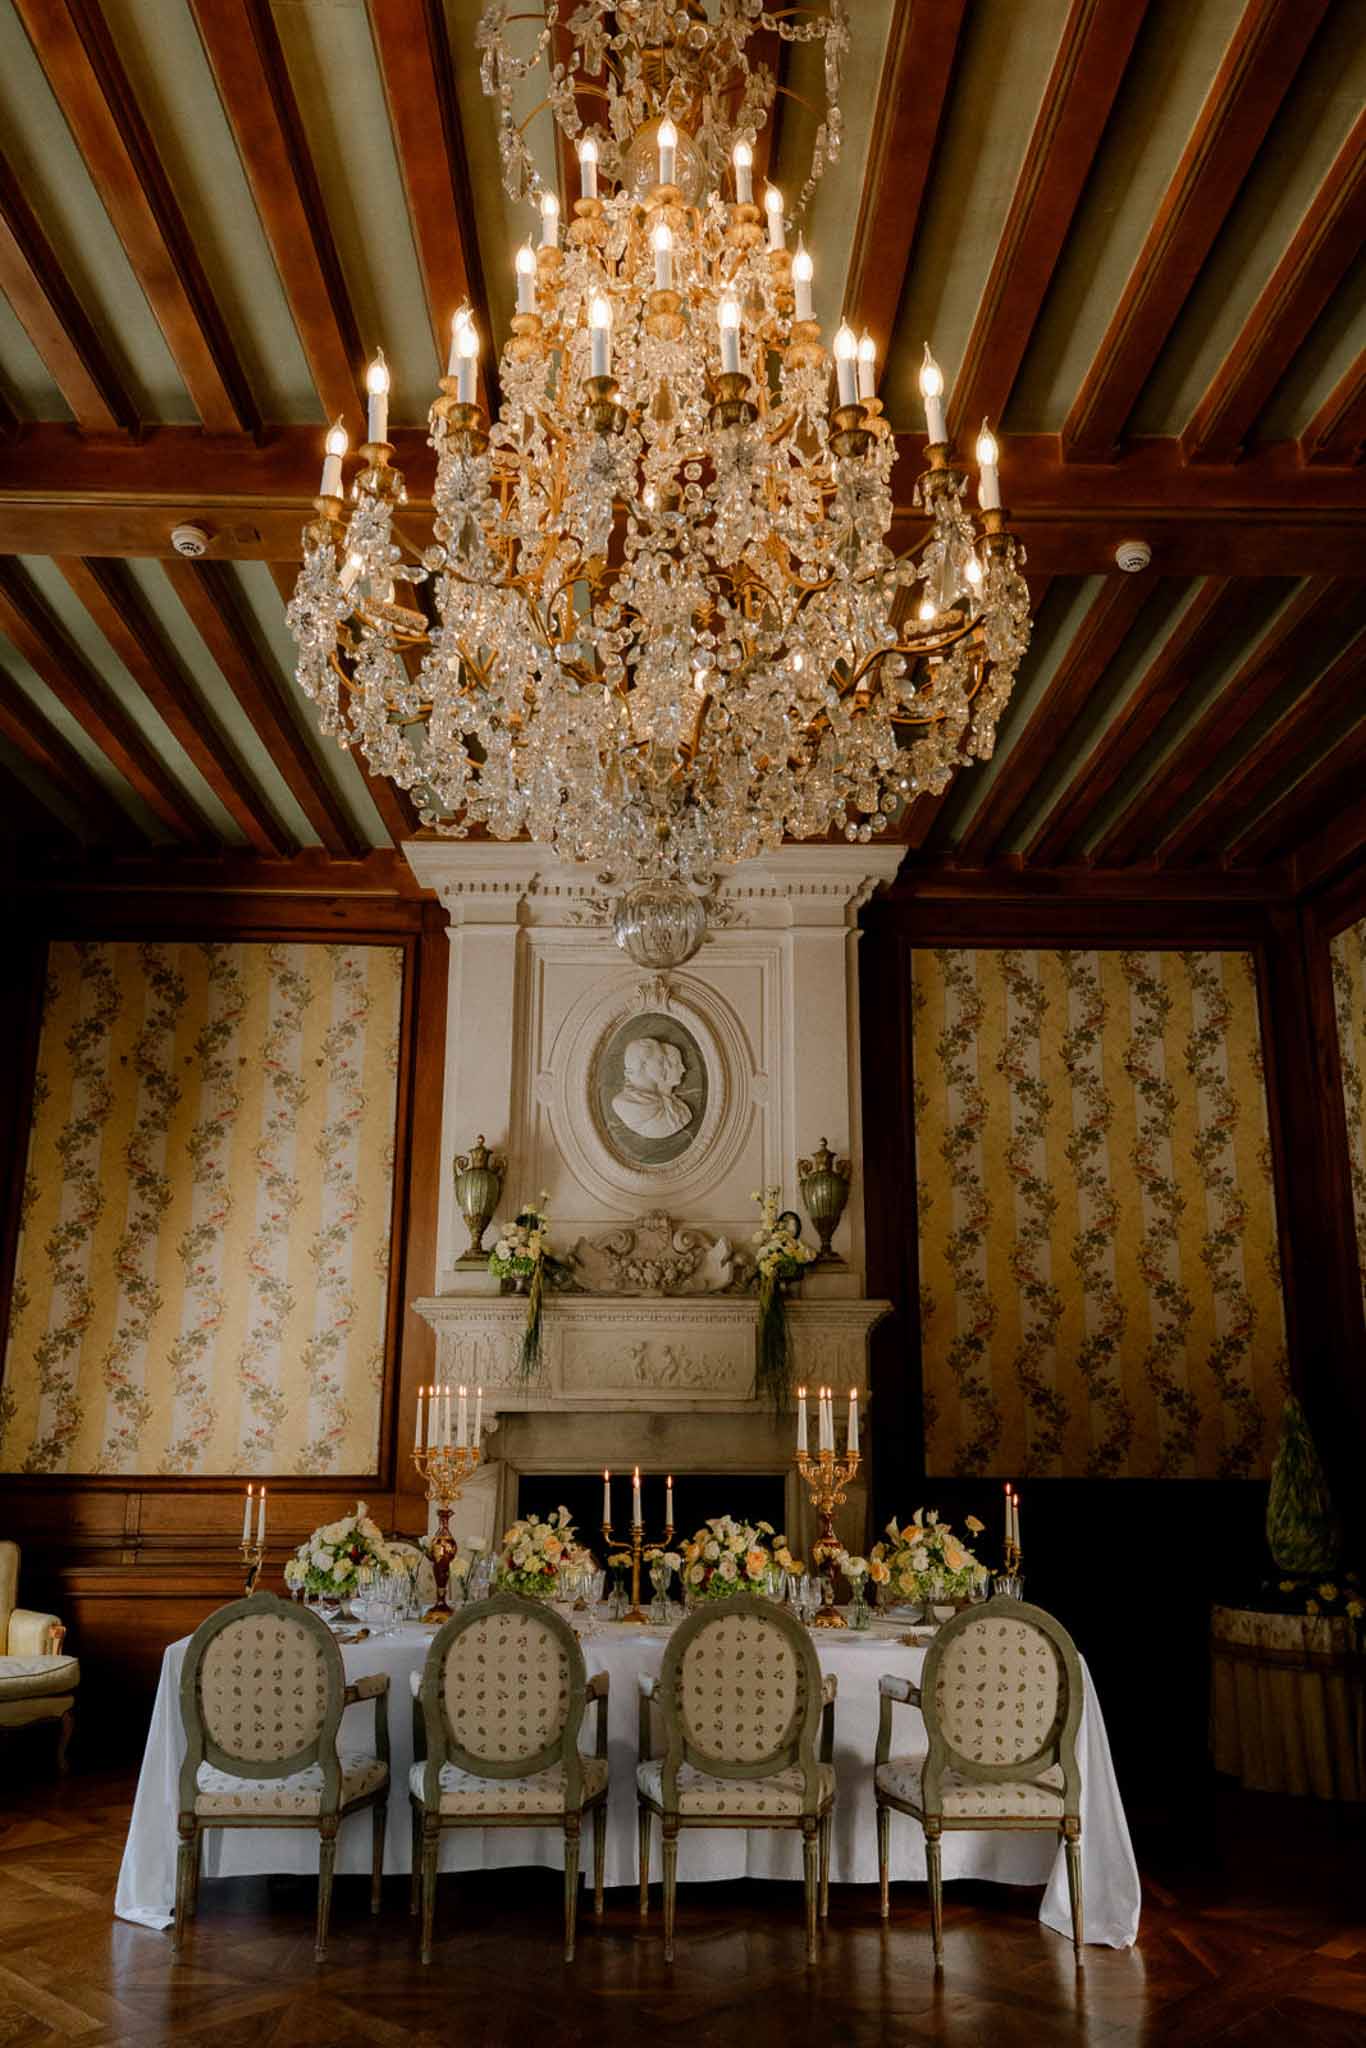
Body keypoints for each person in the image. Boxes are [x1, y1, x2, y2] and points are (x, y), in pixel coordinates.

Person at [612, 1035, 692, 1140]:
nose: (666, 1065)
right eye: (660, 1061)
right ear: (644, 1065)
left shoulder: (672, 1104)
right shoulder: (625, 1104)